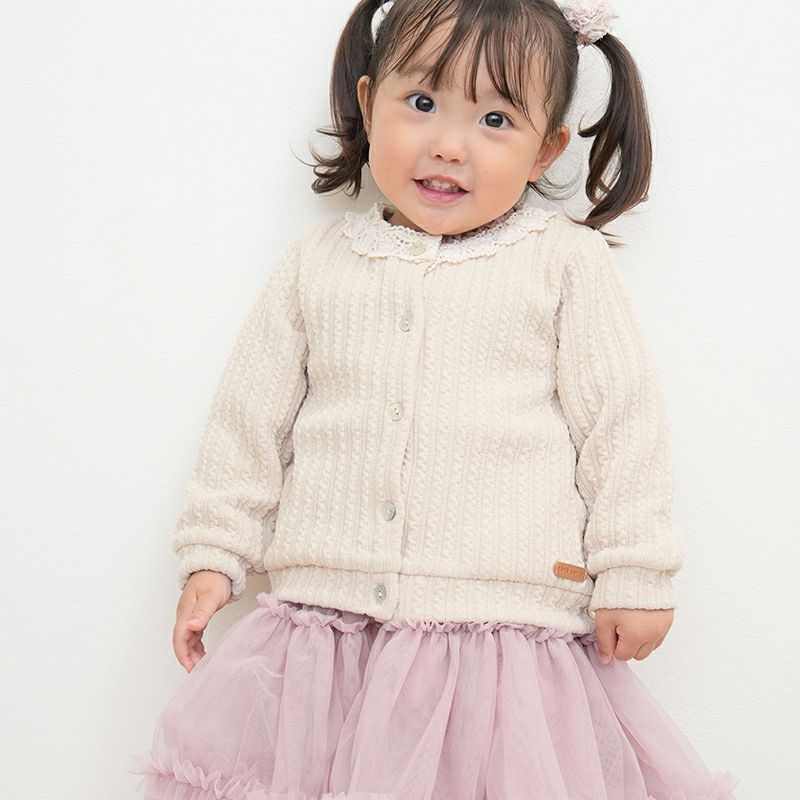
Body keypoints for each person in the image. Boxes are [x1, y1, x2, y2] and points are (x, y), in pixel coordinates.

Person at [127, 1, 741, 797]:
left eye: (495, 119)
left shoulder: (564, 265)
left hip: (500, 642)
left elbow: (622, 428)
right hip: (324, 637)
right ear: (368, 102)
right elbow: (247, 423)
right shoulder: (318, 264)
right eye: (421, 103)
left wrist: (636, 571)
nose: (449, 145)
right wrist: (216, 554)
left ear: (546, 148)